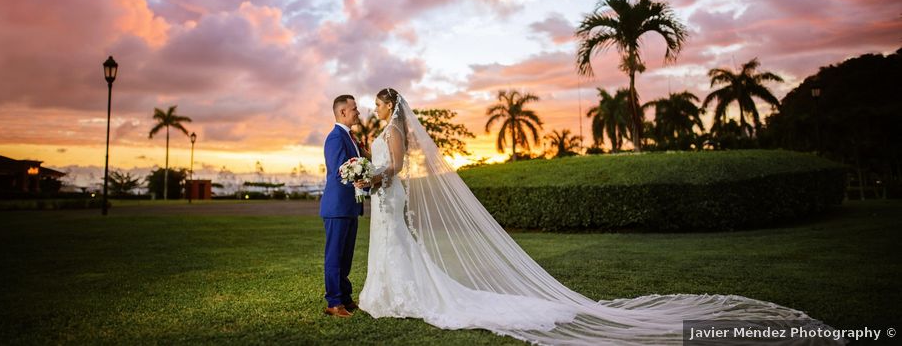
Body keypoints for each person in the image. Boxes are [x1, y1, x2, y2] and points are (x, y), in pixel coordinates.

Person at [357, 88, 837, 345]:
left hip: (389, 192)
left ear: (390, 105)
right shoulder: (384, 129)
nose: (375, 109)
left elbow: (396, 167)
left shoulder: (395, 130)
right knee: (394, 245)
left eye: (378, 103)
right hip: (382, 195)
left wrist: (373, 176)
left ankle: (406, 295)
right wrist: (368, 176)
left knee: (399, 245)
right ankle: (392, 292)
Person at [320, 94, 364, 318]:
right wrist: (360, 178)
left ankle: (345, 298)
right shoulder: (336, 137)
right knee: (335, 256)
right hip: (337, 206)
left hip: (349, 206)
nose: (358, 112)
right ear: (343, 112)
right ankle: (334, 303)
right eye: (354, 109)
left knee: (345, 256)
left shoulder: (352, 138)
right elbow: (340, 171)